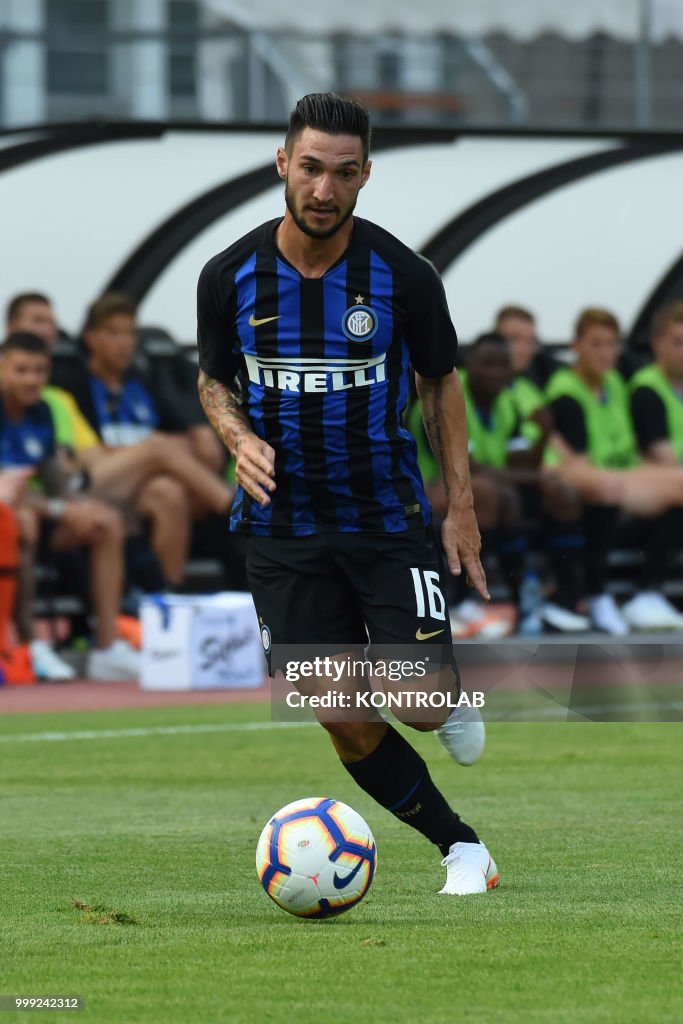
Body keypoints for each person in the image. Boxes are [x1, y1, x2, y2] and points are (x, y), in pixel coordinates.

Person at [197, 93, 499, 897]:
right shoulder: (228, 276)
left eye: (341, 173)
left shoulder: (402, 275)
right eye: (309, 169)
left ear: (365, 175)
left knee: (423, 707)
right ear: (281, 165)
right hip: (281, 528)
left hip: (385, 516)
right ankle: (461, 847)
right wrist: (237, 437)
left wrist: (460, 507)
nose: (322, 190)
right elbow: (213, 382)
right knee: (340, 710)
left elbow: (440, 385)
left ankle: (437, 690)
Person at [56, 293, 235, 587]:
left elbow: (183, 436)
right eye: (114, 333)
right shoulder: (74, 385)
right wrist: (148, 453)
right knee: (158, 447)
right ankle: (229, 507)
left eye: (129, 333)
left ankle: (163, 599)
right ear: (90, 338)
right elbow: (86, 454)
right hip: (92, 484)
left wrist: (197, 432)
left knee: (168, 492)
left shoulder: (142, 383)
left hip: (142, 487)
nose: (125, 342)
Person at [0, 333, 141, 680]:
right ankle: (30, 646)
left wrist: (80, 505)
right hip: (10, 521)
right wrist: (62, 510)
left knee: (104, 521)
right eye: (21, 370)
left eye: (39, 371)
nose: (31, 379)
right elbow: (11, 494)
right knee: (23, 521)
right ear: (2, 369)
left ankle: (107, 648)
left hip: (36, 515)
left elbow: (54, 485)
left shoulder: (43, 412)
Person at [546, 307, 683, 633]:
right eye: (596, 344)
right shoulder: (566, 392)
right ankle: (596, 593)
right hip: (581, 475)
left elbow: (630, 451)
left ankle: (647, 593)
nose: (606, 353)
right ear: (575, 346)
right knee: (610, 486)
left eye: (611, 345)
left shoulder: (615, 384)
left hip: (621, 473)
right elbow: (576, 460)